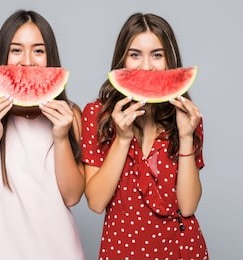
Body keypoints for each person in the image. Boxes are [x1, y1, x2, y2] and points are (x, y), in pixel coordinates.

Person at [0, 10, 85, 260]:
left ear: (51, 58)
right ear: (2, 56)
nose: (27, 62)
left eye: (38, 50)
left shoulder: (70, 115)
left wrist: (60, 136)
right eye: (16, 50)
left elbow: (73, 195)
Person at [81, 12, 208, 259]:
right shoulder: (98, 115)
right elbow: (96, 202)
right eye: (135, 54)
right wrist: (123, 137)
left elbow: (188, 205)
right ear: (122, 60)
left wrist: (185, 137)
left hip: (181, 249)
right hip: (122, 250)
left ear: (170, 61)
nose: (147, 66)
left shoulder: (188, 119)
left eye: (157, 55)